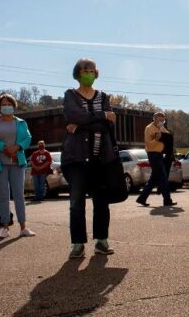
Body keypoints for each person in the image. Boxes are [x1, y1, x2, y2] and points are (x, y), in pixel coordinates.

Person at [61, 58, 117, 259]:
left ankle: (102, 241)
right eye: (85, 70)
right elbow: (73, 115)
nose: (89, 73)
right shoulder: (70, 95)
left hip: (101, 158)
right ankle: (77, 244)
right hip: (76, 158)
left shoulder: (103, 96)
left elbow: (109, 124)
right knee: (77, 203)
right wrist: (102, 116)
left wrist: (82, 123)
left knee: (101, 202)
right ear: (78, 73)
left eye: (92, 70)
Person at [0, 93, 35, 239]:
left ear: (14, 106)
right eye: (4, 104)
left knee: (19, 195)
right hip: (0, 163)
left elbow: (28, 138)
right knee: (3, 195)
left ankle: (23, 227)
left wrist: (18, 147)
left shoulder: (21, 122)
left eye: (9, 104)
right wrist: (5, 149)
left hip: (17, 163)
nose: (7, 107)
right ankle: (5, 227)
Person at [136, 112, 176, 207]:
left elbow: (167, 136)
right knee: (163, 176)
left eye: (163, 120)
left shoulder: (161, 128)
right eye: (160, 120)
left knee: (153, 179)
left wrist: (165, 138)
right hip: (153, 155)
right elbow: (148, 144)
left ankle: (141, 198)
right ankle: (167, 200)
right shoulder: (149, 128)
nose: (162, 122)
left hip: (160, 155)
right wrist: (156, 139)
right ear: (155, 119)